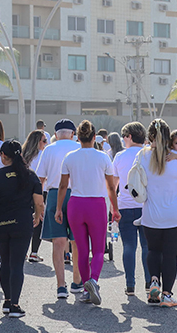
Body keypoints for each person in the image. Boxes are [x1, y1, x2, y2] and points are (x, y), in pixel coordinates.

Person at [55, 120, 119, 306]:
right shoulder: (103, 157)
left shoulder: (69, 157)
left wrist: (59, 208)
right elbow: (110, 187)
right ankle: (93, 281)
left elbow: (62, 186)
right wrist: (115, 209)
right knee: (98, 250)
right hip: (96, 205)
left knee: (81, 250)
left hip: (75, 204)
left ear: (78, 137)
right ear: (93, 137)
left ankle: (85, 289)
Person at [0, 141, 44, 317]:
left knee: (5, 261)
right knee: (17, 264)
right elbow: (39, 202)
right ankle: (15, 305)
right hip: (22, 223)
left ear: (3, 156)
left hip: (0, 225)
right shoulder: (30, 176)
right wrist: (36, 215)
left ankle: (7, 300)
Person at [140, 119, 177, 307]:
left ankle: (154, 280)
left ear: (150, 137)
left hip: (151, 215)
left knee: (153, 250)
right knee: (171, 255)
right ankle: (167, 294)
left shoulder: (142, 155)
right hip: (176, 215)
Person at [36, 119, 81, 299]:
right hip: (77, 194)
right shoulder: (79, 148)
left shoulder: (49, 149)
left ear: (55, 134)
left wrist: (38, 204)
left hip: (54, 194)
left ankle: (61, 285)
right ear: (73, 133)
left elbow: (40, 179)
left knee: (58, 242)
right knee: (77, 240)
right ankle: (76, 280)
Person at [113, 122, 150, 298]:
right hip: (147, 207)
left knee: (128, 246)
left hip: (125, 206)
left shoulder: (119, 156)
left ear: (128, 136)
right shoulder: (149, 154)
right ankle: (150, 283)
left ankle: (130, 285)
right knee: (147, 246)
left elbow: (112, 186)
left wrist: (112, 208)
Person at [22, 130, 48, 263]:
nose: (45, 144)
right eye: (44, 141)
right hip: (39, 190)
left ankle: (24, 252)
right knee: (38, 220)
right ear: (37, 142)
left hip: (23, 192)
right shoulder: (42, 155)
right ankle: (34, 252)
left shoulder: (23, 155)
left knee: (25, 221)